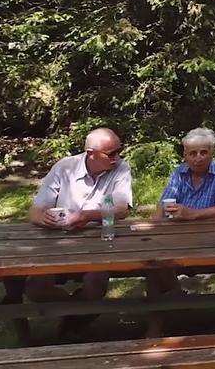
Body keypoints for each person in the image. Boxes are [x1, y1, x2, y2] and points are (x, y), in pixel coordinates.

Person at [26, 128, 133, 335]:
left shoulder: (121, 168)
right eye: (110, 154)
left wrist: (85, 216)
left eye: (119, 151)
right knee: (35, 288)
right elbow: (35, 210)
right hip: (57, 243)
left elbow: (121, 209)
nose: (117, 157)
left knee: (96, 283)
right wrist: (43, 218)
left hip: (98, 242)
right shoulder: (65, 167)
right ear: (91, 153)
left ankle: (72, 321)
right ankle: (76, 313)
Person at [146, 128, 215, 332]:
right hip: (178, 240)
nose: (198, 158)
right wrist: (155, 227)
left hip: (212, 243)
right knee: (153, 262)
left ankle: (164, 313)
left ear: (212, 153)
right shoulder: (178, 173)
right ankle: (166, 308)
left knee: (159, 265)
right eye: (192, 153)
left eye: (203, 152)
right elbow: (163, 205)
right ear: (185, 155)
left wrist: (193, 214)